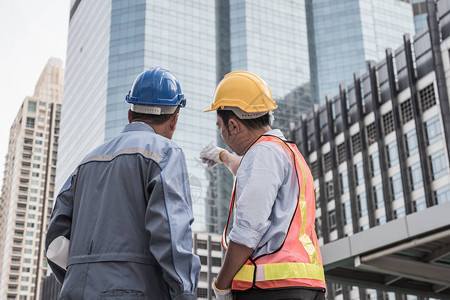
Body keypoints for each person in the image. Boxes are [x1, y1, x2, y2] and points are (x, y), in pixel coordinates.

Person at [46, 67, 201, 299]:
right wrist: (185, 293)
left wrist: (79, 276)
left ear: (130, 115)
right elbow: (171, 232)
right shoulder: (165, 154)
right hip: (135, 290)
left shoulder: (86, 162)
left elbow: (56, 237)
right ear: (174, 120)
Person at [200, 71, 326, 300]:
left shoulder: (263, 153)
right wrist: (223, 156)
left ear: (233, 125)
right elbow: (249, 170)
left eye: (220, 126)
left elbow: (248, 230)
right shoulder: (286, 152)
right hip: (306, 285)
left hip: (271, 288)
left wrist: (222, 284)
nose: (222, 134)